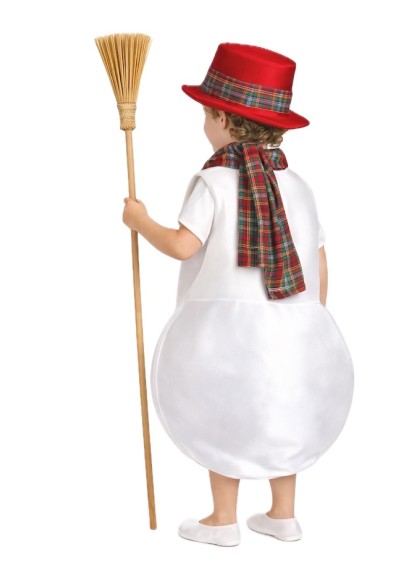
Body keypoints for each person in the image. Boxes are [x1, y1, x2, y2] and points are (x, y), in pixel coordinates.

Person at [122, 42, 354, 547]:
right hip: (294, 326)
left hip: (225, 332)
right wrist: (310, 319)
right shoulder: (298, 185)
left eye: (206, 114)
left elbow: (183, 246)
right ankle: (283, 516)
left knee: (222, 411)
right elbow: (318, 260)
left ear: (223, 119)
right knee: (284, 413)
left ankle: (223, 520)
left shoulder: (214, 182)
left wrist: (140, 221)